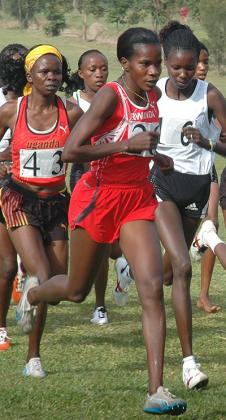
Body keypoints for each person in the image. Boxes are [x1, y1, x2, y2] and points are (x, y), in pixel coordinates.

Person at [15, 27, 187, 415]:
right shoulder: (111, 96)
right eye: (145, 63)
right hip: (98, 198)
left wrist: (152, 156)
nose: (153, 69)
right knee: (75, 291)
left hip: (138, 199)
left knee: (151, 288)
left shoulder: (153, 95)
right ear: (125, 64)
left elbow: (142, 138)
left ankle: (156, 389)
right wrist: (125, 146)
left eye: (156, 62)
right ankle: (34, 293)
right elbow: (73, 150)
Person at [112, 20, 226, 390]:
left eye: (189, 67)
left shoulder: (210, 96)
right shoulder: (155, 91)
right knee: (181, 266)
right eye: (175, 67)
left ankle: (129, 273)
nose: (181, 74)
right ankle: (189, 363)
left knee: (166, 273)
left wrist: (207, 142)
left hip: (195, 189)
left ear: (198, 64)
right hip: (160, 185)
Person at [0, 44, 82, 375]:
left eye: (57, 72)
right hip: (18, 199)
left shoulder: (71, 112)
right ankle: (33, 357)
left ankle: (31, 314)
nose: (51, 77)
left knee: (57, 287)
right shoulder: (11, 111)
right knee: (36, 274)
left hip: (56, 202)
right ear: (29, 75)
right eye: (44, 72)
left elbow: (86, 147)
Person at [68, 49, 110, 325]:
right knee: (94, 245)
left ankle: (100, 304)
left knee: (109, 245)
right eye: (92, 69)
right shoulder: (71, 105)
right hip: (82, 178)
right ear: (81, 73)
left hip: (112, 179)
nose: (98, 74)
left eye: (103, 68)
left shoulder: (115, 99)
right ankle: (96, 302)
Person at [0, 43, 28, 351]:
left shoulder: (37, 103)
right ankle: (1, 327)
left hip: (25, 190)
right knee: (5, 265)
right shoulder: (4, 106)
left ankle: (24, 278)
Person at [191, 43, 221, 313]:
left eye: (205, 62)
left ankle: (203, 295)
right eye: (196, 62)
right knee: (176, 237)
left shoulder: (211, 94)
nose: (201, 67)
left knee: (213, 224)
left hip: (206, 171)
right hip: (171, 176)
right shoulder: (170, 93)